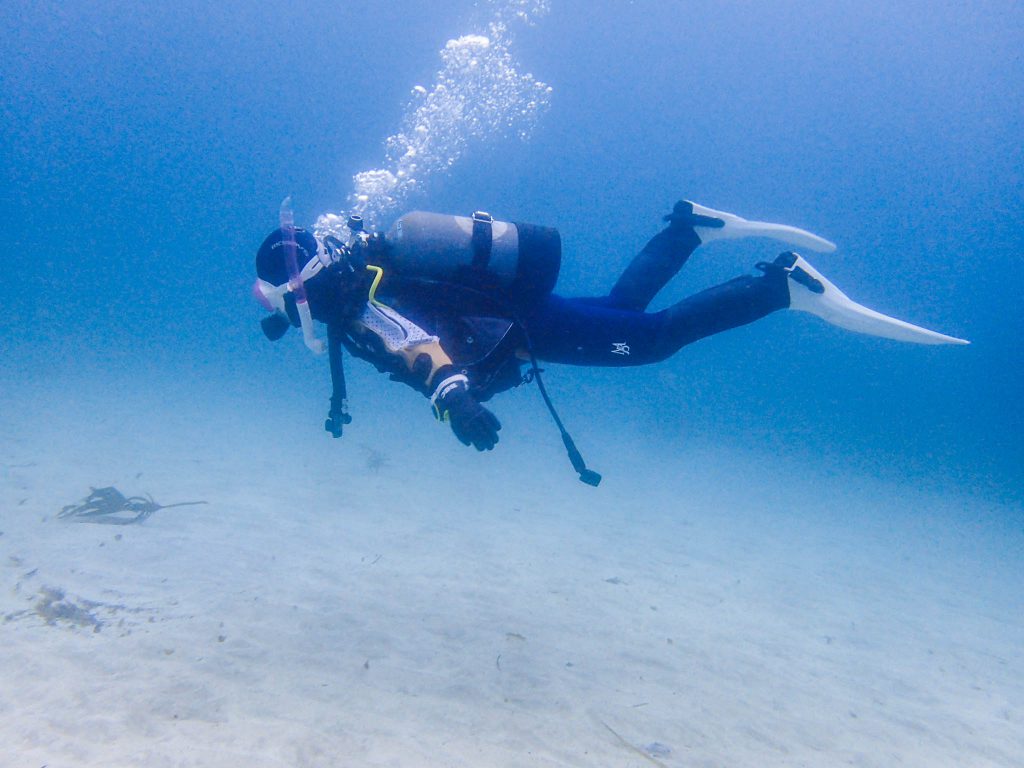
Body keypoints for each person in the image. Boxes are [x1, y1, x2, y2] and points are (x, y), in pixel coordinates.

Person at [253, 199, 967, 484]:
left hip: (525, 327)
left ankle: (779, 287)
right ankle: (689, 228)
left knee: (651, 340)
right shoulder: (364, 271)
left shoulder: (357, 304)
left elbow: (411, 343)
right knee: (623, 309)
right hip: (518, 309)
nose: (286, 312)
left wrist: (454, 400)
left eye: (280, 299)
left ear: (298, 286)